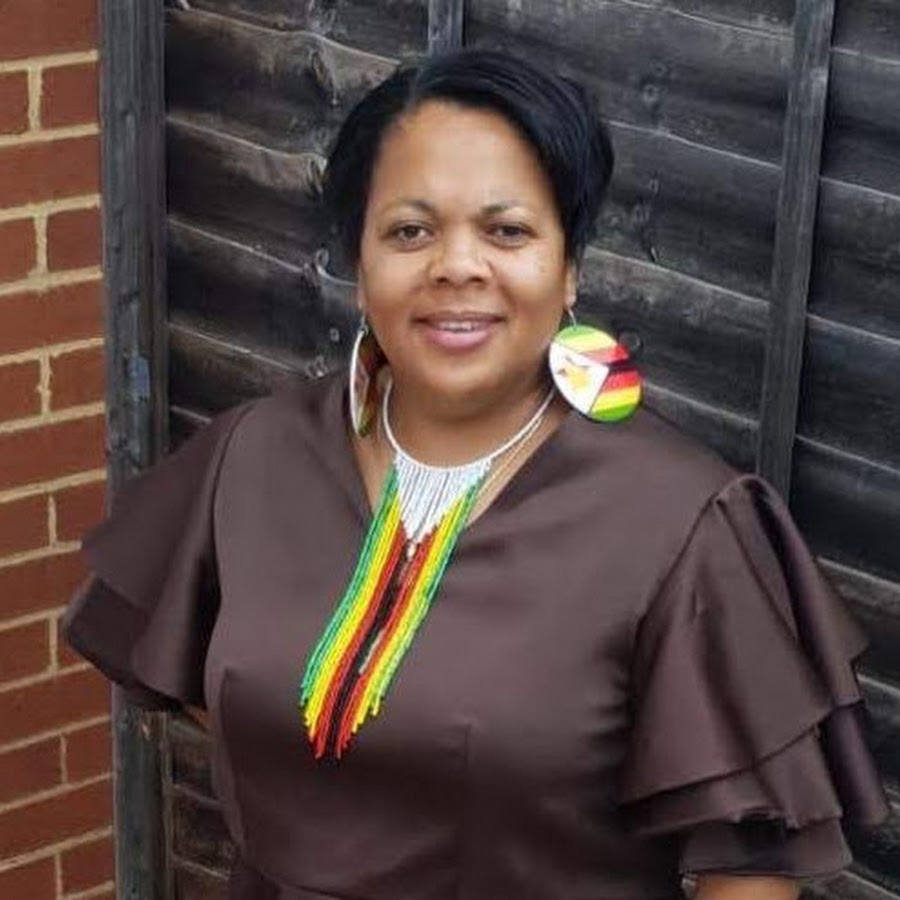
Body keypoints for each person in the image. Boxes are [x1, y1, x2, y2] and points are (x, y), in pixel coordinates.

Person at [63, 49, 887, 900]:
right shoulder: (255, 455)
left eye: (507, 231)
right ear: (359, 269)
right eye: (409, 231)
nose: (457, 265)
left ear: (569, 270)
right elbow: (191, 672)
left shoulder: (681, 522)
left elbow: (748, 871)